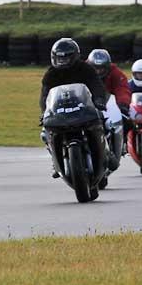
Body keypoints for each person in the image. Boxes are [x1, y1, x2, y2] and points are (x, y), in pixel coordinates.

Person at [39, 38, 107, 179]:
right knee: (45, 133)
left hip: (82, 108)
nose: (62, 61)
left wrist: (99, 100)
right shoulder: (50, 74)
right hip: (60, 112)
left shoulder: (86, 69)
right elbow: (45, 95)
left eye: (66, 58)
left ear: (75, 56)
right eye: (59, 58)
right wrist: (44, 111)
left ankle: (106, 152)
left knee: (102, 123)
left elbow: (96, 85)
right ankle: (56, 161)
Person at [87, 48, 128, 166]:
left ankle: (119, 147)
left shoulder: (115, 72)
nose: (98, 72)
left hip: (106, 104)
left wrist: (123, 105)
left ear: (108, 66)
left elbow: (122, 89)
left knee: (127, 121)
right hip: (86, 103)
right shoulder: (82, 70)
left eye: (101, 68)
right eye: (95, 68)